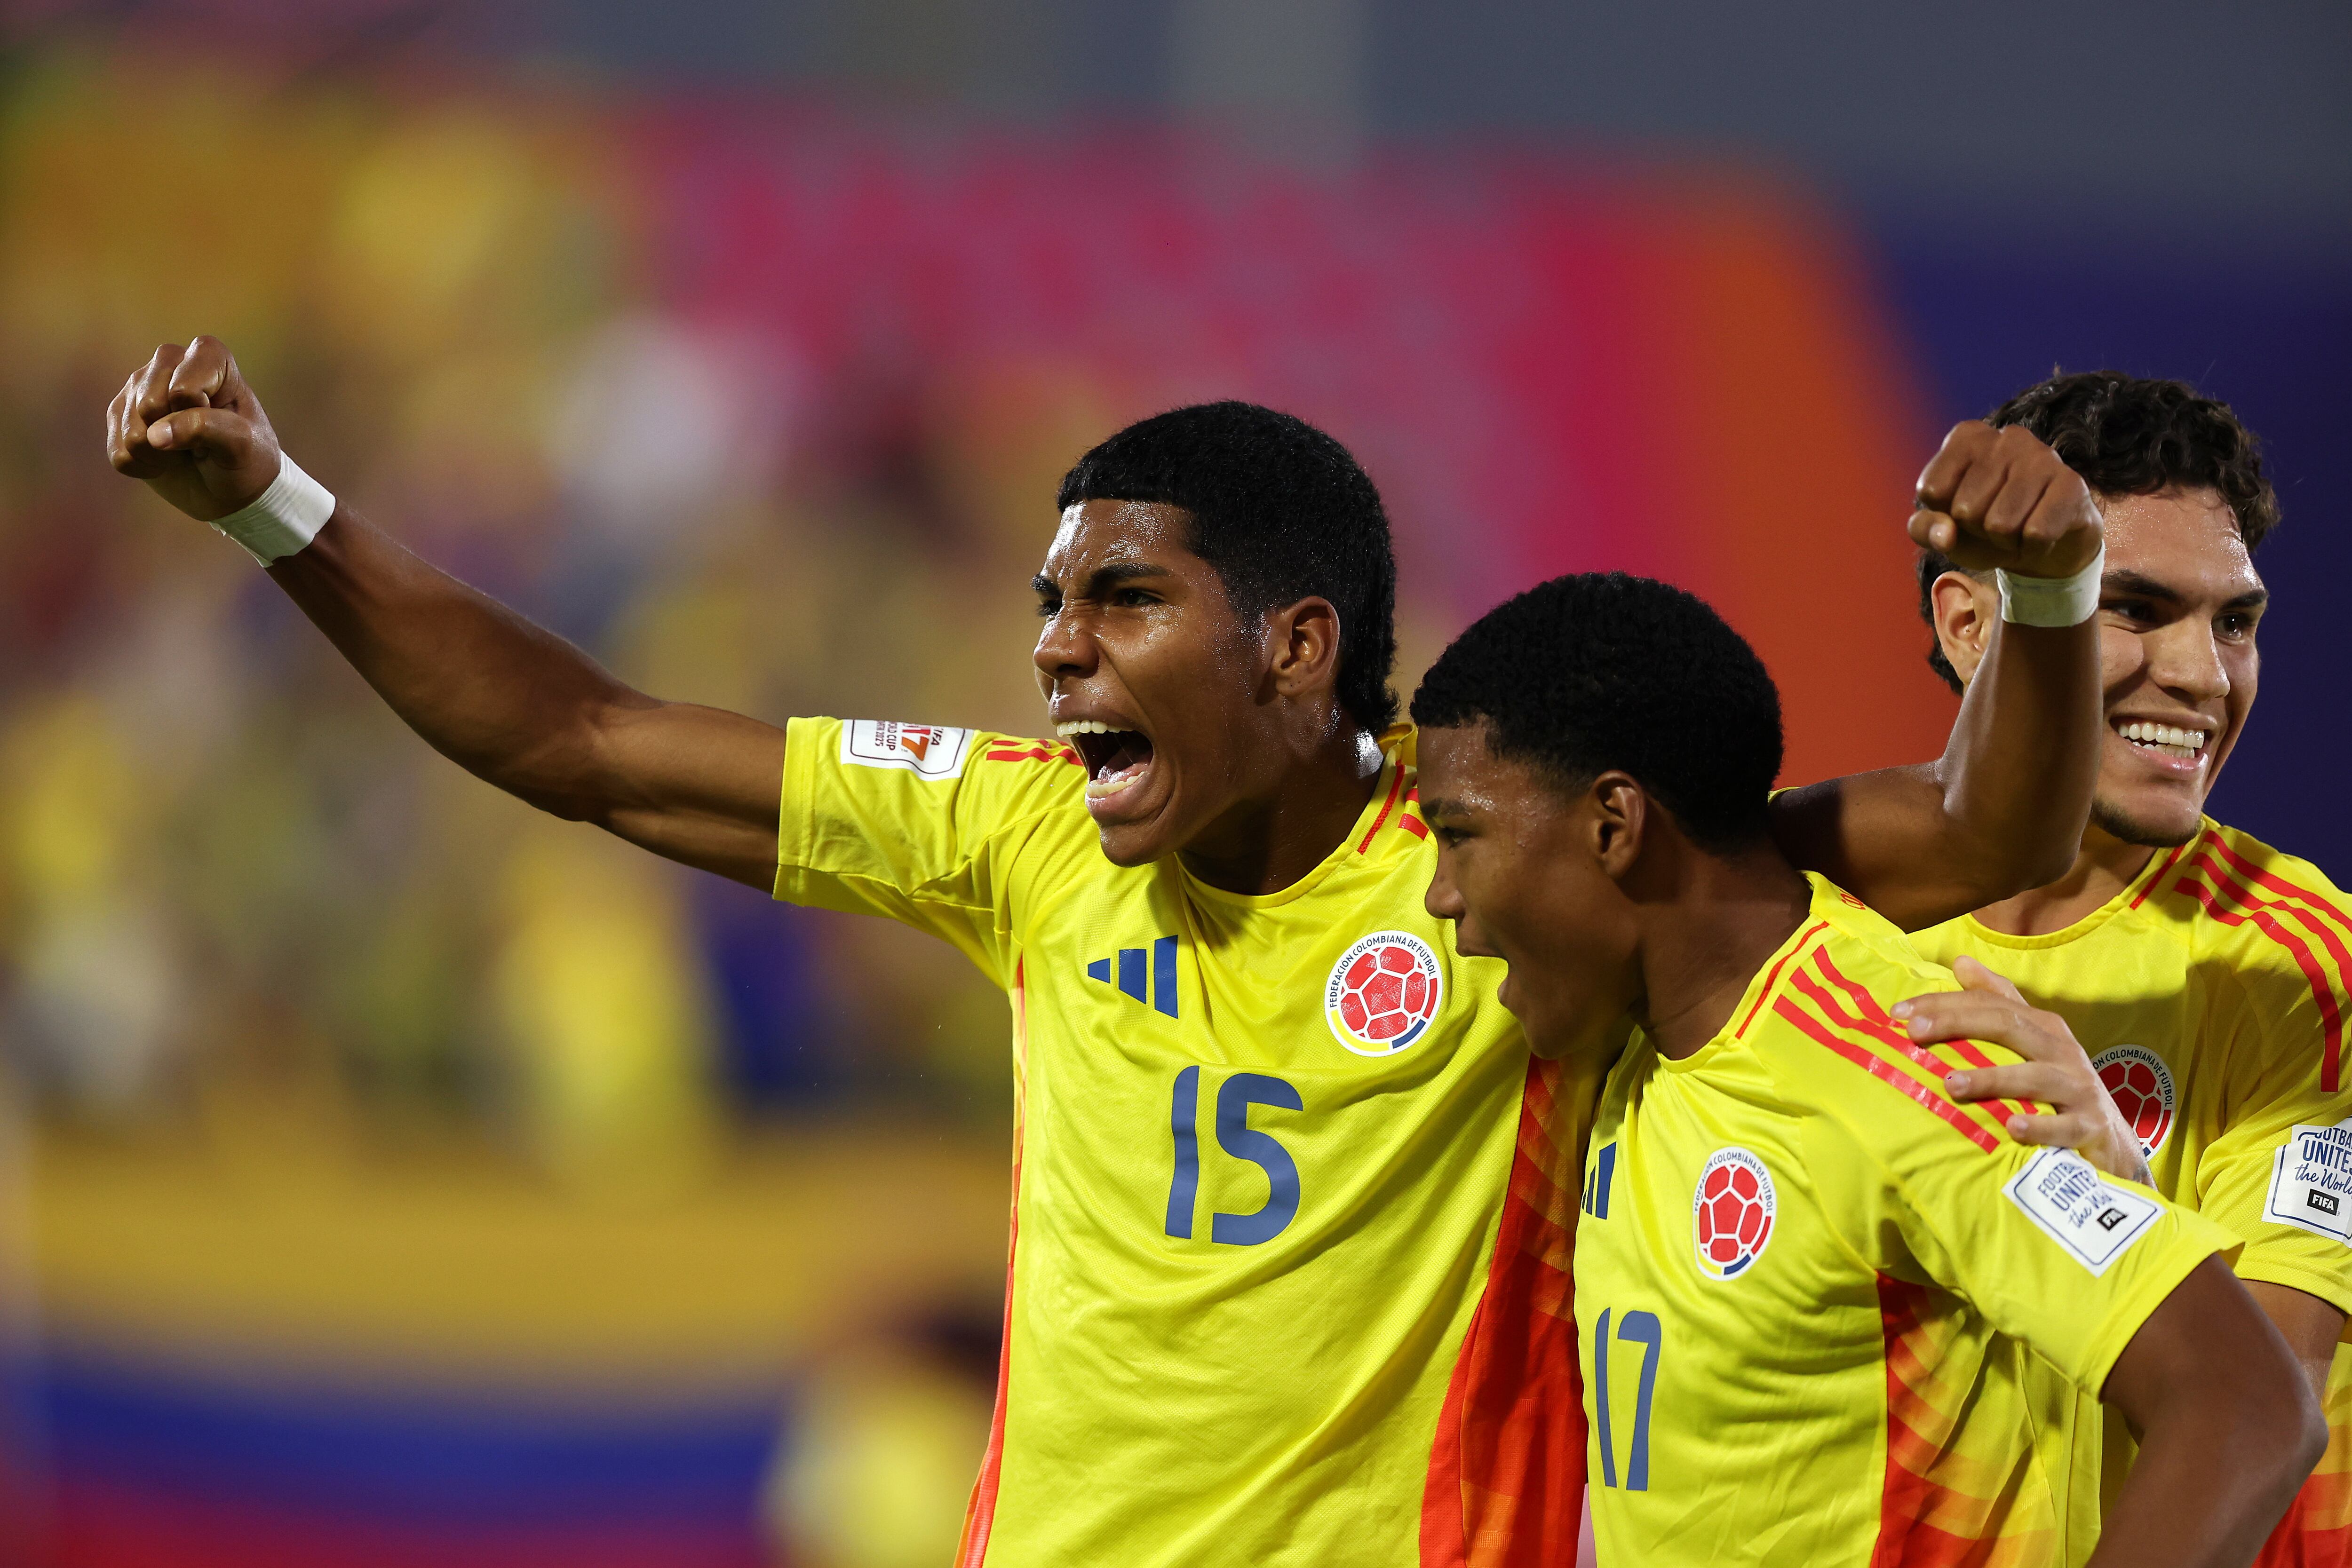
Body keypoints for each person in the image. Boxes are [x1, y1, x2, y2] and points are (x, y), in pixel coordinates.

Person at [109, 337, 2103, 1566]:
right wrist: (280, 511)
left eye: (1122, 597)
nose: (1054, 646)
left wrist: (2040, 598)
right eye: (1049, 600)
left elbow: (1993, 829)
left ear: (1298, 647)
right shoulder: (1020, 831)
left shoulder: (1514, 864)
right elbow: (583, 738)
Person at [1412, 570, 2325, 1567]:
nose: (1439, 894)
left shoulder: (1906, 1058)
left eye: (1460, 835)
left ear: (1613, 827)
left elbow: (2247, 1401)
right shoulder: (1636, 1043)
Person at [1901, 372, 2352, 1566]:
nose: (2204, 675)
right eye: (2136, 607)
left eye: (2235, 621)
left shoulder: (2298, 958)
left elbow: (2267, 1407)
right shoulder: (1824, 917)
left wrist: (2119, 1178)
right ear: (1969, 623)